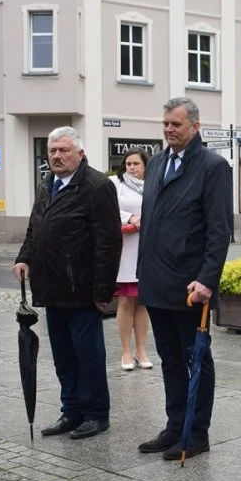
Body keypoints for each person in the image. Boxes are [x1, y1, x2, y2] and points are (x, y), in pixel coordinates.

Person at [136, 97, 232, 461]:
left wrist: (207, 279)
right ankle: (175, 425)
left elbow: (219, 230)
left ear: (195, 126)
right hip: (157, 280)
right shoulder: (157, 162)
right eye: (165, 124)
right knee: (169, 358)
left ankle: (196, 432)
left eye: (176, 124)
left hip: (191, 286)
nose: (169, 130)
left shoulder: (213, 167)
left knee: (196, 359)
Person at [13, 126, 122, 440]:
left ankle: (96, 414)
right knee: (63, 356)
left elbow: (109, 242)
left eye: (64, 150)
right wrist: (24, 258)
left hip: (82, 290)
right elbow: (35, 228)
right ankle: (71, 411)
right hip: (51, 288)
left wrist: (103, 290)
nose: (57, 156)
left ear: (80, 154)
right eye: (53, 151)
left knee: (88, 356)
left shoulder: (97, 186)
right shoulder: (47, 184)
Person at [110, 149, 153, 371]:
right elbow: (107, 209)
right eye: (128, 163)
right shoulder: (115, 184)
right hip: (125, 250)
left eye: (136, 163)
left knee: (143, 301)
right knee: (126, 301)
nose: (132, 167)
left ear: (146, 165)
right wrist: (131, 218)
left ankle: (141, 349)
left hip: (147, 249)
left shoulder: (153, 185)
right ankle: (126, 351)